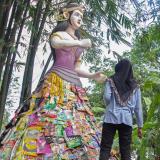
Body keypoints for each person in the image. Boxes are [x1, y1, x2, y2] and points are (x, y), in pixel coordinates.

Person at [0, 3, 106, 160]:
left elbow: (76, 67)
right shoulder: (60, 35)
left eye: (81, 16)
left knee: (75, 121)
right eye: (76, 14)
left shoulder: (78, 41)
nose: (80, 19)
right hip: (55, 82)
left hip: (74, 85)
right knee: (47, 115)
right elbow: (56, 44)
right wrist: (78, 43)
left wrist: (92, 75)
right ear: (67, 15)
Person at [99, 59, 143, 160]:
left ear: (118, 68)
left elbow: (106, 97)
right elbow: (138, 108)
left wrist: (108, 106)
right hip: (126, 120)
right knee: (125, 150)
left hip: (110, 118)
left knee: (105, 148)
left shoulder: (110, 80)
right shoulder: (135, 86)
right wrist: (140, 126)